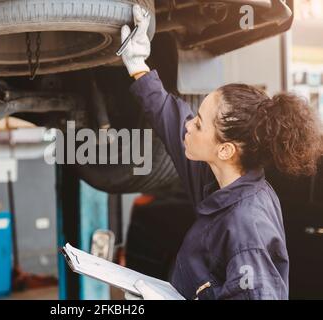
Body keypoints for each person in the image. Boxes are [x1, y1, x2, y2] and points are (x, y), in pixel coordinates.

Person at [121, 5, 323, 300]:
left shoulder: (247, 228)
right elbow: (170, 119)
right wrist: (137, 64)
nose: (189, 125)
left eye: (199, 124)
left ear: (226, 149)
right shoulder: (218, 179)